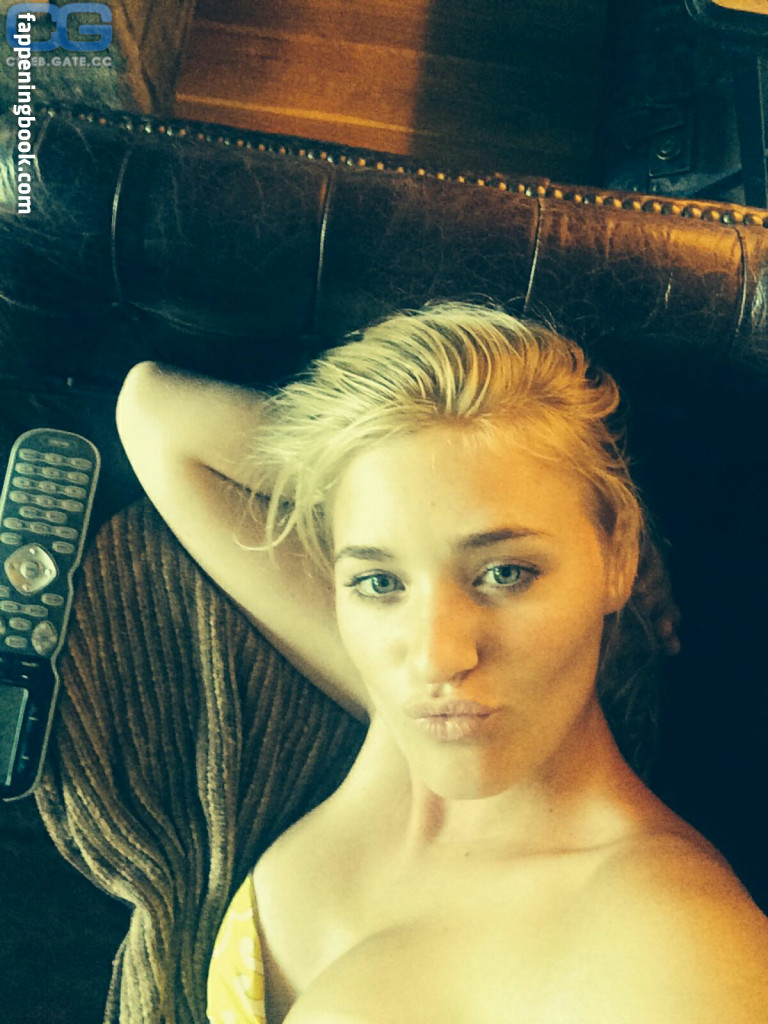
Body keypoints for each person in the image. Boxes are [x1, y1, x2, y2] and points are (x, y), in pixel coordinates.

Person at [116, 301, 768, 1024]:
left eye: (505, 574)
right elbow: (154, 414)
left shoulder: (679, 946)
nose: (435, 656)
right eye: (380, 582)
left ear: (618, 557)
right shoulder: (406, 721)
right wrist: (357, 462)